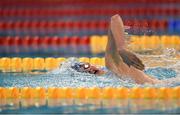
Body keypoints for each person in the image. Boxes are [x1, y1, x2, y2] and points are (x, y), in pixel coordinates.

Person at [71, 14, 160, 84]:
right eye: (86, 72)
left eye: (86, 66)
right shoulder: (111, 79)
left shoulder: (111, 64)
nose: (89, 70)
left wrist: (121, 49)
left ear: (92, 64)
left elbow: (115, 18)